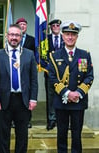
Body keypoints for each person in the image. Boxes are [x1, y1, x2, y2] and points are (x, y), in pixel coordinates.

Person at [0, 24, 38, 153]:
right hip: (4, 100)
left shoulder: (29, 54)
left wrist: (33, 99)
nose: (14, 38)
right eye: (12, 35)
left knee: (22, 134)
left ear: (21, 37)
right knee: (3, 134)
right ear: (7, 36)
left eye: (17, 35)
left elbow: (33, 79)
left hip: (23, 100)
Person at [48, 21, 93, 153]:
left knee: (76, 134)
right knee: (61, 134)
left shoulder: (84, 55)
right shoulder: (55, 56)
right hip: (62, 101)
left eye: (73, 35)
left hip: (78, 101)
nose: (70, 37)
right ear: (62, 36)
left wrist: (78, 93)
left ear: (77, 37)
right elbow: (52, 78)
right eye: (67, 34)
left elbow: (89, 76)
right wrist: (67, 93)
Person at [15, 17, 36, 128]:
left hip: (27, 70)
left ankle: (27, 120)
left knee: (27, 97)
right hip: (14, 69)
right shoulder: (13, 39)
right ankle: (15, 120)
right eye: (20, 24)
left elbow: (34, 54)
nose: (22, 26)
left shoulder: (32, 40)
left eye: (24, 24)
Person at [45, 19, 64, 130]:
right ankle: (51, 119)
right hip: (50, 73)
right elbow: (43, 55)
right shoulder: (45, 40)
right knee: (51, 97)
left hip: (63, 74)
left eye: (58, 25)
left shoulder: (64, 38)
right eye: (54, 26)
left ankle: (62, 119)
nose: (56, 27)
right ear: (51, 28)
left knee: (63, 95)